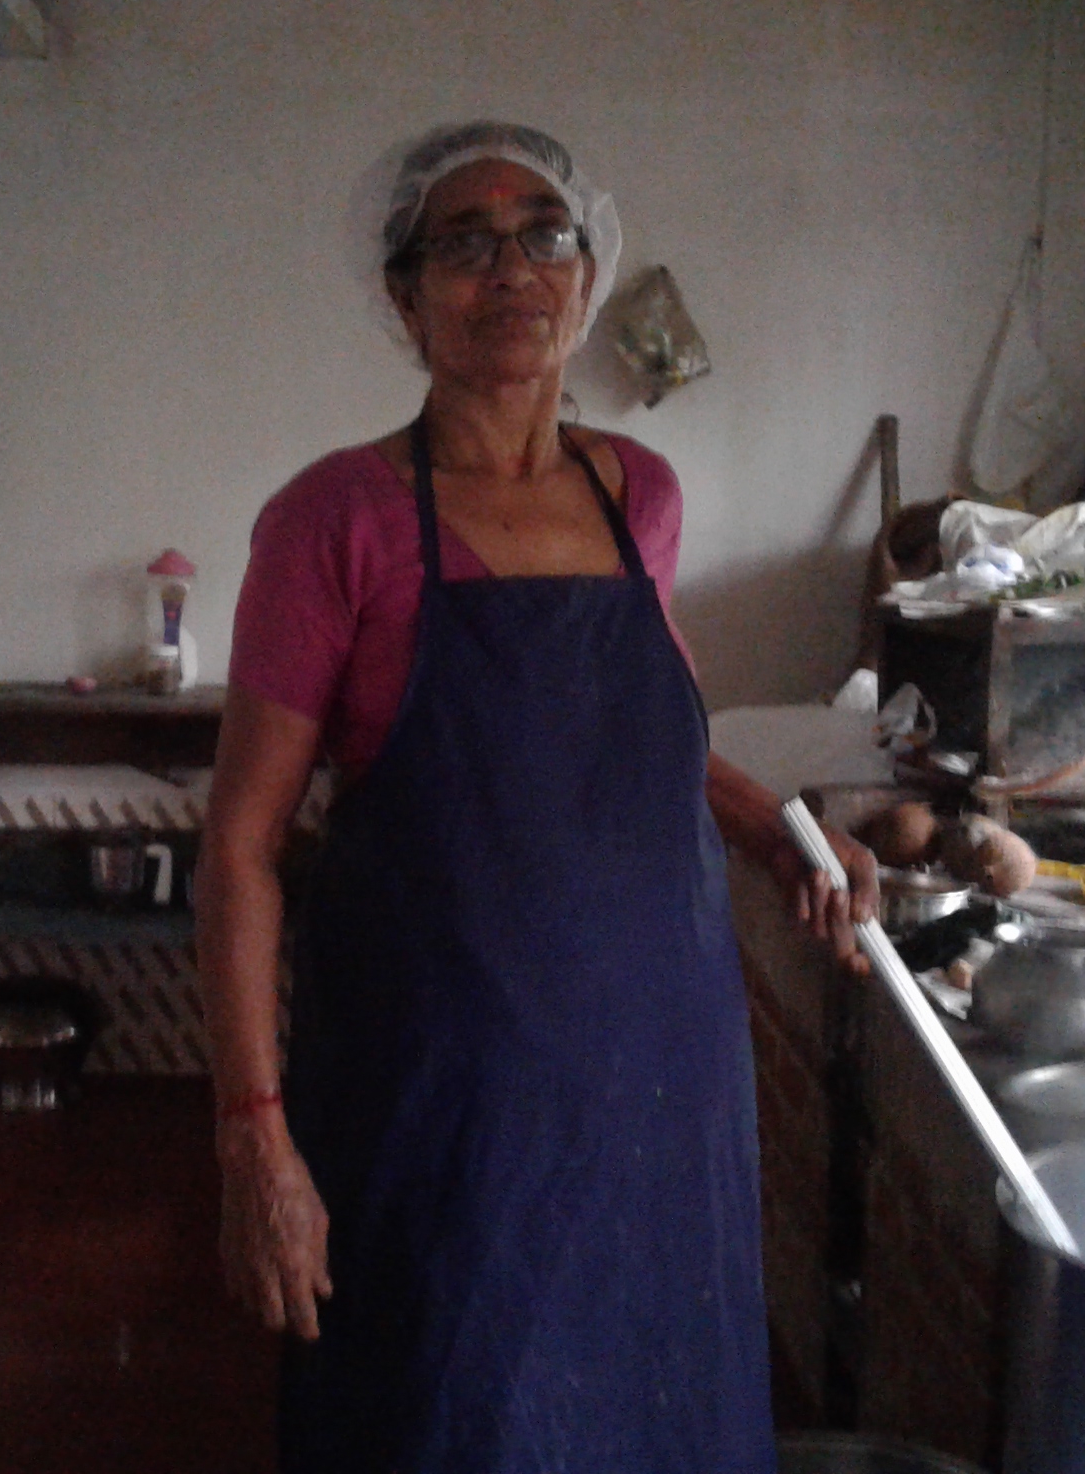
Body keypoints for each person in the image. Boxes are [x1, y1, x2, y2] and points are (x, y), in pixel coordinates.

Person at [194, 121, 880, 1474]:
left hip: (660, 1071)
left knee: (655, 1403)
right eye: (464, 244)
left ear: (586, 272)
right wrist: (255, 1143)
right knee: (448, 1410)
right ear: (406, 299)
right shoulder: (338, 520)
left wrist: (786, 833)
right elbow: (239, 847)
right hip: (444, 1089)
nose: (511, 269)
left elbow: (644, 743)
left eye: (543, 235)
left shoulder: (641, 495)